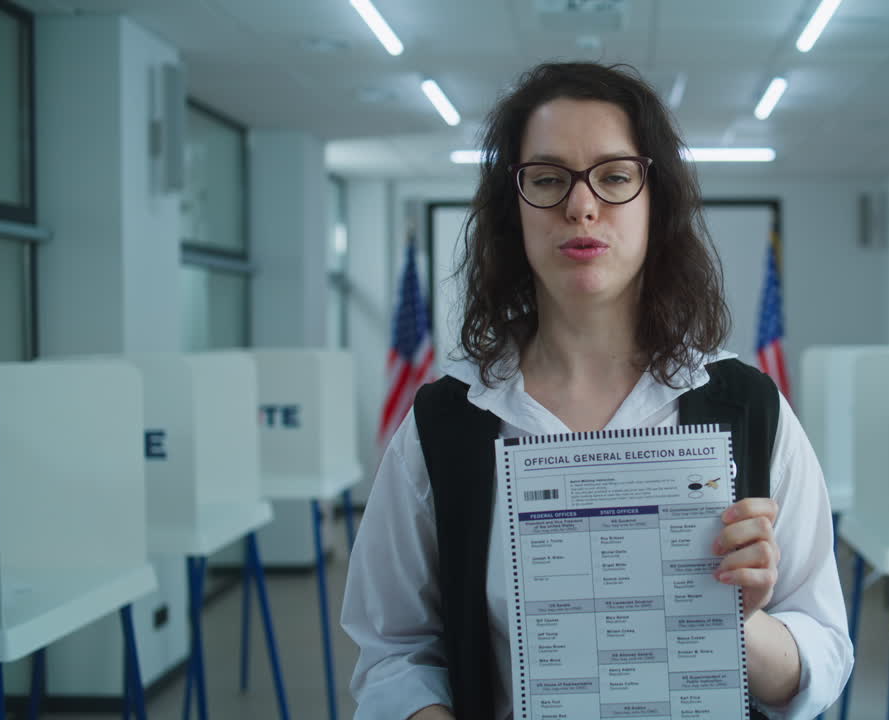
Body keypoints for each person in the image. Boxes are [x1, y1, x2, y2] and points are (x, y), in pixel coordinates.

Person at [341, 62, 853, 720]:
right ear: (513, 209)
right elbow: (392, 653)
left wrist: (737, 621)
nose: (581, 206)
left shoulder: (750, 407)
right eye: (548, 179)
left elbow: (824, 655)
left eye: (613, 177)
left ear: (654, 202)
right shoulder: (444, 422)